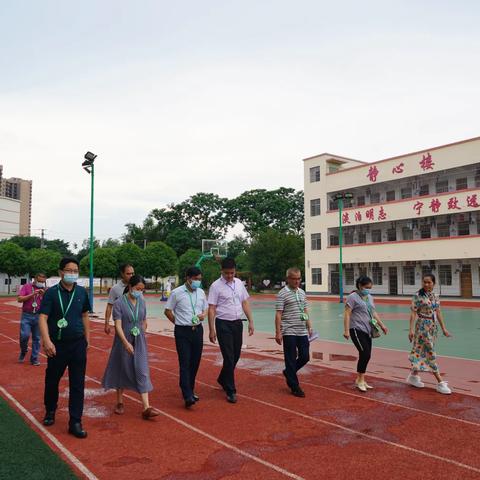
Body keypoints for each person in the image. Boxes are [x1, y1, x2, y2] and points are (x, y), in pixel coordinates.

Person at [39, 258, 90, 438]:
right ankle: (50, 410)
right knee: (52, 380)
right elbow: (43, 318)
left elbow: (84, 316)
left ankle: (75, 421)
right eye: (69, 270)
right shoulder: (52, 293)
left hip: (77, 344)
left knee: (78, 384)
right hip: (57, 345)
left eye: (75, 270)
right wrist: (46, 340)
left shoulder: (82, 292)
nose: (72, 273)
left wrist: (87, 340)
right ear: (61, 272)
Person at [102, 275, 160, 419]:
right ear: (130, 287)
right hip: (123, 340)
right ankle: (120, 402)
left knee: (142, 370)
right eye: (137, 289)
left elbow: (144, 319)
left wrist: (143, 330)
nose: (139, 292)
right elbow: (118, 325)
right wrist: (125, 342)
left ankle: (146, 407)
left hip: (139, 340)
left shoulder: (142, 301)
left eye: (142, 289)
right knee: (122, 368)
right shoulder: (119, 303)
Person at [208, 257, 254, 404]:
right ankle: (230, 390)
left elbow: (244, 302)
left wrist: (251, 321)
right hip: (223, 324)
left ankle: (223, 378)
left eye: (232, 273)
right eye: (227, 273)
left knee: (236, 355)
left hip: (237, 323)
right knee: (228, 357)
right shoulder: (215, 286)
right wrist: (211, 329)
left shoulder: (239, 283)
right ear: (221, 271)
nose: (229, 276)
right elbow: (212, 308)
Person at [164, 266, 208, 408]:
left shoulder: (201, 293)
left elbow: (205, 308)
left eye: (199, 279)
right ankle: (187, 394)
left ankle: (190, 388)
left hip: (198, 330)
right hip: (182, 331)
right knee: (185, 362)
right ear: (188, 279)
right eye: (195, 279)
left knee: (195, 362)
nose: (197, 282)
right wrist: (177, 322)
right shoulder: (177, 293)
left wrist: (203, 315)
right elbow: (167, 311)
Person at [407, 273, 452, 394]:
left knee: (421, 351)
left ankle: (413, 376)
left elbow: (438, 312)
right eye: (424, 282)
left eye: (429, 282)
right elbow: (413, 313)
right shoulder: (417, 296)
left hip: (432, 327)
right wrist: (411, 330)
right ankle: (440, 382)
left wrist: (444, 329)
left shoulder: (435, 296)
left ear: (434, 283)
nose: (426, 284)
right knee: (430, 352)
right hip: (422, 327)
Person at [343, 276, 388, 392]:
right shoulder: (352, 297)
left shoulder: (369, 298)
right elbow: (347, 313)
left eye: (370, 288)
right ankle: (361, 380)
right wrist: (346, 330)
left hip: (368, 330)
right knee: (365, 353)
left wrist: (382, 325)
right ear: (360, 286)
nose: (368, 290)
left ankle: (359, 379)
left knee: (366, 354)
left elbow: (373, 312)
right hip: (356, 329)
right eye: (366, 287)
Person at [275, 267, 313, 398]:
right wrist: (278, 332)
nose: (297, 281)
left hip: (302, 330)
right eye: (294, 279)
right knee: (290, 358)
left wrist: (309, 325)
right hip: (289, 330)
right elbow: (279, 314)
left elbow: (305, 310)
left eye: (299, 279)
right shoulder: (282, 293)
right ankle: (294, 386)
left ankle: (289, 372)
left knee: (305, 356)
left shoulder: (302, 292)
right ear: (288, 279)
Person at [17, 272, 47, 366]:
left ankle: (34, 358)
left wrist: (44, 295)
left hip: (39, 316)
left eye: (43, 282)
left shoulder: (45, 289)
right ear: (35, 279)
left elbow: (50, 303)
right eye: (39, 281)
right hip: (27, 315)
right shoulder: (27, 286)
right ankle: (24, 350)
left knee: (37, 338)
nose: (41, 283)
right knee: (24, 336)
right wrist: (32, 294)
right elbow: (19, 299)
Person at [104, 264, 135, 334]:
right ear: (122, 274)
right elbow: (109, 306)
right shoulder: (115, 289)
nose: (131, 276)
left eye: (132, 273)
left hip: (135, 323)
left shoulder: (136, 287)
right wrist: (106, 323)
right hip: (121, 324)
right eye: (128, 274)